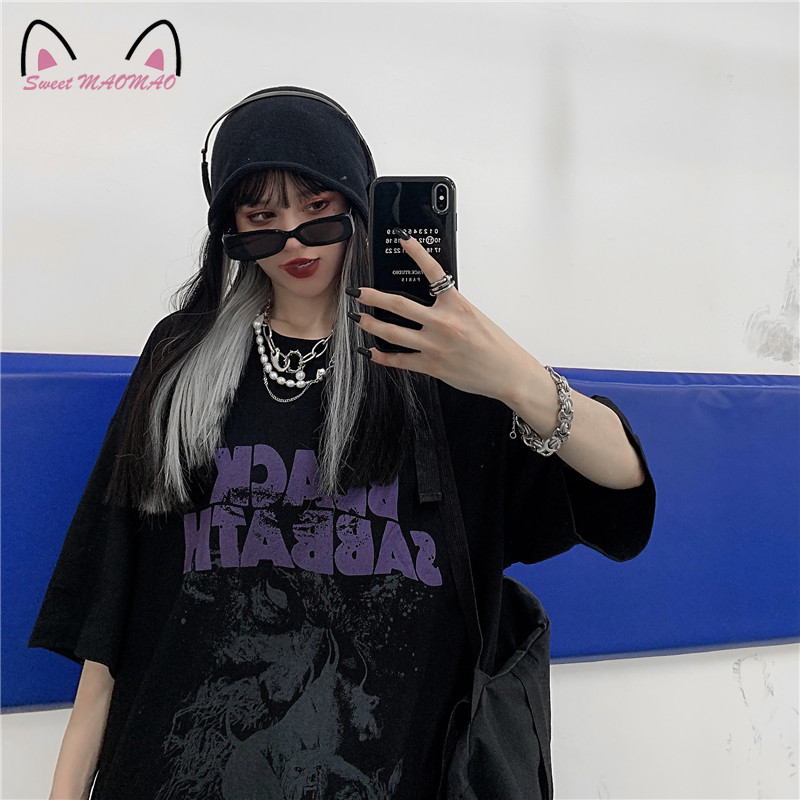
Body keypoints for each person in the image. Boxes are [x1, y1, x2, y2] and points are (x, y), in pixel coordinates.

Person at [30, 86, 655, 800]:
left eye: (316, 206)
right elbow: (115, 614)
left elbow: (622, 488)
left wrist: (515, 377)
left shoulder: (442, 368)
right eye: (261, 218)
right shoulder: (181, 361)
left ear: (357, 201)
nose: (293, 238)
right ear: (229, 229)